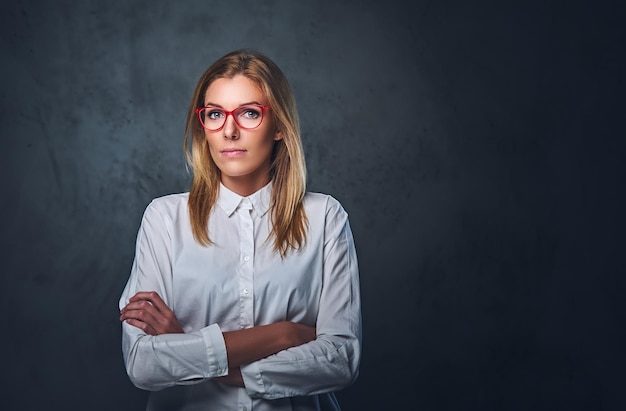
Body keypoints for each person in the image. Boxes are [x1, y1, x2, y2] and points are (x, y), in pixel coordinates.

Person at [118, 49, 362, 410]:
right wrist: (284, 334)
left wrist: (185, 344)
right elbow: (144, 364)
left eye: (249, 113)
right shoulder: (164, 218)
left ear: (279, 125)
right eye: (215, 114)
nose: (229, 131)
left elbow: (340, 360)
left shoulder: (325, 217)